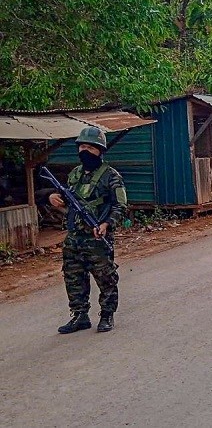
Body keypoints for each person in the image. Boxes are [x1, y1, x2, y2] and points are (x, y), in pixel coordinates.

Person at [48, 127, 127, 334]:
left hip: (97, 236)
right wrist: (54, 198)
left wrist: (106, 224)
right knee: (73, 275)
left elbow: (120, 205)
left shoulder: (111, 176)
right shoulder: (75, 174)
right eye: (82, 146)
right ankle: (79, 315)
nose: (85, 151)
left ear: (100, 150)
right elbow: (68, 197)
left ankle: (107, 314)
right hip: (74, 236)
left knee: (105, 276)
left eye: (90, 147)